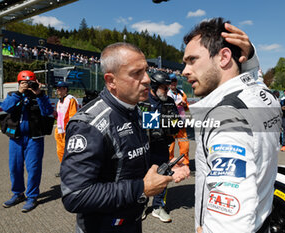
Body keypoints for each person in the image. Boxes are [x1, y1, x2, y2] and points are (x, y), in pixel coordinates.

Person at [60, 42, 189, 233]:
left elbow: (144, 151)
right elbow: (75, 196)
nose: (146, 79)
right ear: (111, 81)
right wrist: (141, 189)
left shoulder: (139, 109)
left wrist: (166, 166)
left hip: (133, 220)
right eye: (136, 73)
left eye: (146, 71)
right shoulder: (88, 125)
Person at [183, 18, 281, 233]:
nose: (184, 71)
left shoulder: (225, 117)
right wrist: (249, 56)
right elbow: (253, 79)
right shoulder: (263, 95)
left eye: (192, 60)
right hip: (262, 218)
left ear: (224, 57)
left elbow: (230, 216)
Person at [1, 70, 54, 212]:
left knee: (34, 168)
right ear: (19, 83)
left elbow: (48, 111)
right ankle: (18, 194)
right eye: (24, 82)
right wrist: (19, 92)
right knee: (15, 167)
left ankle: (32, 197)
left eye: (30, 82)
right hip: (16, 138)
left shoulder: (39, 96)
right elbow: (6, 107)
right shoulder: (13, 95)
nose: (27, 85)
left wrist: (39, 94)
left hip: (34, 138)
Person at [138, 71, 180, 222]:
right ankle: (141, 206)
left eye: (168, 88)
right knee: (142, 175)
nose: (167, 91)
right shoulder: (141, 100)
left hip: (162, 145)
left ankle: (158, 206)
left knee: (163, 173)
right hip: (143, 146)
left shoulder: (169, 101)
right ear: (154, 86)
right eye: (164, 88)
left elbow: (177, 123)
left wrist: (173, 123)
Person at [54, 81, 79, 177]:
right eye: (57, 88)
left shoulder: (70, 99)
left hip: (67, 130)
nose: (57, 90)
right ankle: (64, 169)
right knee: (60, 151)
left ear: (65, 89)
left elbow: (73, 115)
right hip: (59, 130)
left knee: (70, 151)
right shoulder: (59, 101)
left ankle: (73, 170)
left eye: (60, 88)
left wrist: (71, 129)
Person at [167, 74, 190, 166]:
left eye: (174, 81)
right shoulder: (165, 93)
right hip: (169, 122)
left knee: (184, 144)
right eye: (171, 81)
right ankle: (169, 163)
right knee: (170, 145)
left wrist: (184, 105)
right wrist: (175, 105)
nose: (173, 83)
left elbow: (187, 109)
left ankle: (185, 163)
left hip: (181, 122)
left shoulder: (182, 93)